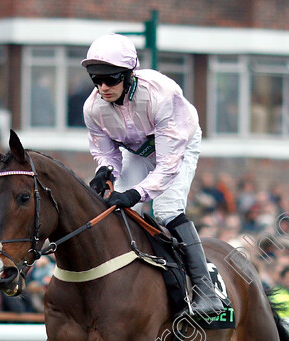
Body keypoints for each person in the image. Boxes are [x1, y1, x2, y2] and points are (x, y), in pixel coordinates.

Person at [80, 33, 223, 317]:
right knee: (122, 211)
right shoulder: (92, 108)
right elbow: (107, 153)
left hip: (176, 147)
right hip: (138, 148)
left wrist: (135, 192)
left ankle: (207, 292)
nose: (103, 87)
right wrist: (104, 172)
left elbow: (168, 166)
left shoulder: (163, 95)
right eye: (96, 79)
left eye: (110, 79)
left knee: (167, 211)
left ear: (128, 74)